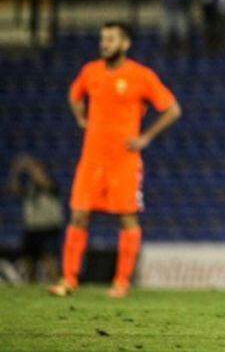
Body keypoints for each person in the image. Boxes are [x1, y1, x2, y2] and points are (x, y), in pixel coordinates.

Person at [48, 22, 182, 298]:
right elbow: (74, 95)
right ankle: (69, 279)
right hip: (92, 158)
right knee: (79, 215)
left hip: (124, 160)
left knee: (127, 218)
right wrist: (80, 117)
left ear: (125, 43)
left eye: (110, 39)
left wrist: (145, 137)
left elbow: (172, 109)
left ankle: (121, 282)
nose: (105, 44)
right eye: (102, 39)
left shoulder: (140, 76)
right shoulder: (91, 72)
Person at [6, 155, 64, 283]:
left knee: (50, 259)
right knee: (29, 260)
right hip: (32, 227)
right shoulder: (29, 186)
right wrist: (15, 171)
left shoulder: (51, 182)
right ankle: (31, 286)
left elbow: (44, 183)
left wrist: (31, 167)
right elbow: (13, 189)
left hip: (49, 226)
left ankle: (55, 283)